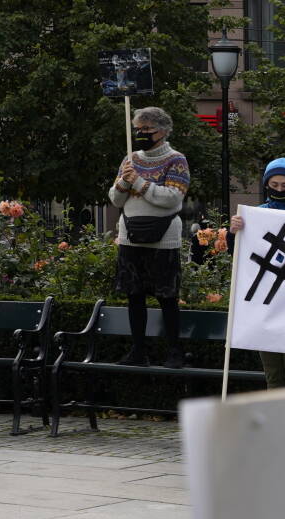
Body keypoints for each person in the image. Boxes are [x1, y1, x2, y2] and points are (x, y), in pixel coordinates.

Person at [108, 107, 190, 368]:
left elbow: (173, 198)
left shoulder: (176, 160)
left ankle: (174, 351)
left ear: (163, 131)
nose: (141, 134)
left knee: (167, 297)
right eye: (139, 129)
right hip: (130, 235)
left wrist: (140, 183)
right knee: (134, 295)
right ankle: (138, 350)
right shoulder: (129, 159)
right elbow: (115, 198)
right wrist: (124, 182)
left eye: (147, 129)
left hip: (163, 237)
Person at [229, 157, 285, 389]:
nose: (279, 190)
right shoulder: (254, 215)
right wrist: (234, 232)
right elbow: (238, 255)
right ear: (266, 184)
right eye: (274, 185)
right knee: (274, 375)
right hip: (264, 306)